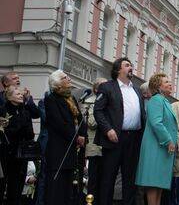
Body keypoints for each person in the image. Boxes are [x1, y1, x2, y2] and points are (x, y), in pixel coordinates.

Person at [94, 57, 146, 205]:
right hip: (114, 138)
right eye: (127, 65)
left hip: (134, 138)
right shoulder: (108, 87)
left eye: (131, 65)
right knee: (108, 177)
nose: (131, 67)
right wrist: (108, 129)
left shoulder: (136, 90)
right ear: (118, 69)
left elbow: (142, 115)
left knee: (130, 178)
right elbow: (98, 111)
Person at [44, 70, 88, 204]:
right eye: (64, 78)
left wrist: (83, 135)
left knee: (68, 188)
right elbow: (59, 123)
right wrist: (76, 137)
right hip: (59, 150)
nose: (69, 78)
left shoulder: (71, 98)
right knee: (56, 188)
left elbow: (80, 118)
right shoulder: (51, 99)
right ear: (57, 85)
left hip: (72, 151)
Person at [134, 73, 177, 205]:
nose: (170, 84)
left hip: (162, 148)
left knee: (159, 184)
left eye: (170, 81)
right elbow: (156, 123)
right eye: (166, 82)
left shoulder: (165, 101)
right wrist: (168, 140)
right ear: (158, 86)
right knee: (153, 183)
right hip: (156, 146)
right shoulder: (156, 100)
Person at [1, 85, 36, 205]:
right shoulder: (3, 110)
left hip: (22, 153)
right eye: (17, 94)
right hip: (7, 152)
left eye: (21, 94)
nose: (21, 96)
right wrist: (19, 123)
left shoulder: (25, 112)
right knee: (5, 182)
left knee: (18, 184)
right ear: (9, 97)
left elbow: (30, 134)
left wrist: (23, 125)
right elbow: (7, 131)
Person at [83, 78, 106, 199]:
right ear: (96, 89)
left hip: (107, 147)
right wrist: (103, 113)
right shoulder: (89, 102)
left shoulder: (110, 102)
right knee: (93, 180)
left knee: (105, 180)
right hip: (94, 148)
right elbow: (91, 122)